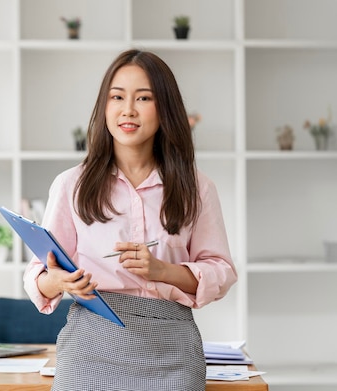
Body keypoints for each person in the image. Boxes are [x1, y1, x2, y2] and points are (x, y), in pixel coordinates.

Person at [23, 49, 237, 391]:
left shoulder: (197, 187)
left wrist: (163, 271)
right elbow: (38, 275)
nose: (128, 109)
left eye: (144, 98)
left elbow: (222, 271)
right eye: (117, 97)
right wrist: (60, 282)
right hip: (90, 345)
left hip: (173, 347)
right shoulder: (71, 186)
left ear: (165, 108)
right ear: (104, 107)